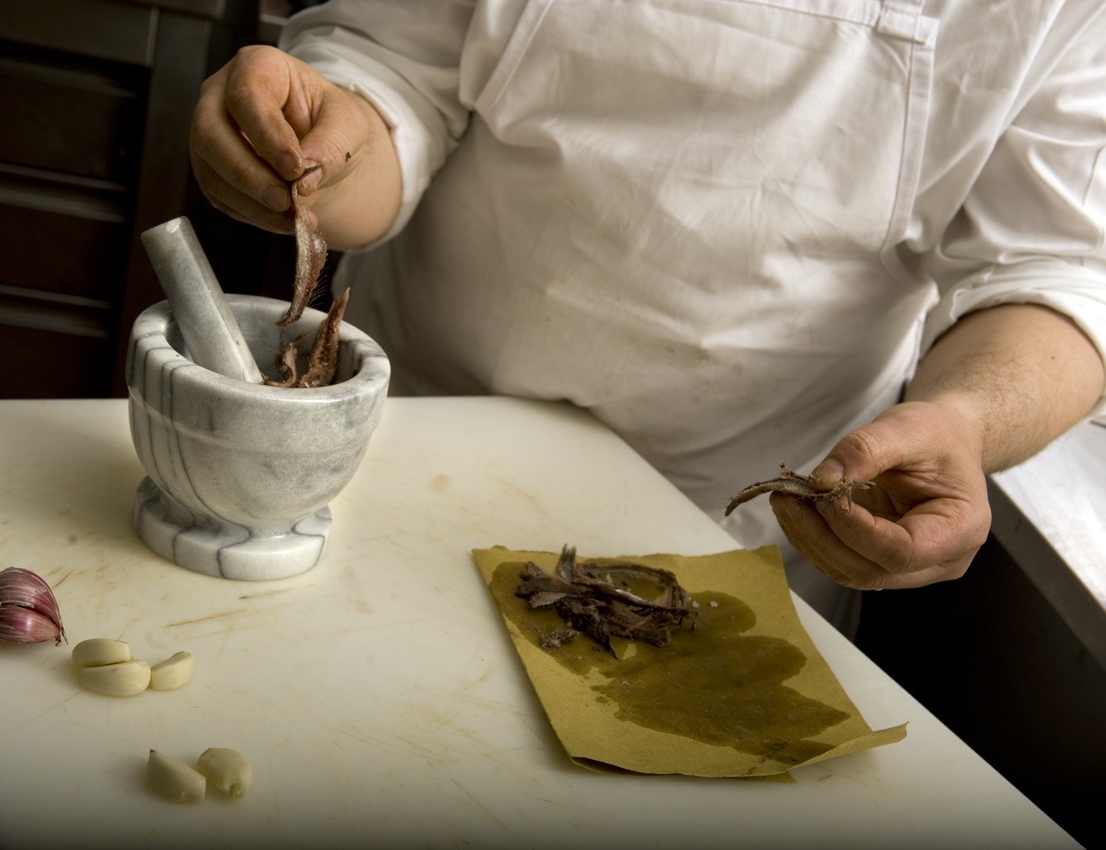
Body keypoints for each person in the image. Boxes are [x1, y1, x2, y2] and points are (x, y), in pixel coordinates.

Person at [189, 0, 1106, 633]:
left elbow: (1058, 270)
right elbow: (395, 76)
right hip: (398, 461)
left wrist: (963, 421)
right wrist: (321, 151)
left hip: (731, 538)